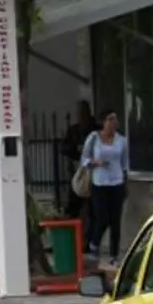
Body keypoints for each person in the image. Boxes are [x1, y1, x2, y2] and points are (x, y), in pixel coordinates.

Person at [81, 108, 131, 267]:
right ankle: (94, 243)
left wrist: (125, 182)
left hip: (116, 182)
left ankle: (114, 254)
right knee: (102, 217)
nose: (113, 122)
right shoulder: (94, 138)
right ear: (103, 122)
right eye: (110, 119)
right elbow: (84, 158)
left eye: (115, 119)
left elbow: (125, 163)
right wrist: (95, 163)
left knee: (115, 220)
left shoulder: (122, 140)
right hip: (99, 182)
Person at [62, 100, 99, 244]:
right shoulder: (73, 131)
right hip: (77, 174)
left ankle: (89, 241)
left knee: (93, 211)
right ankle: (70, 240)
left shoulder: (96, 130)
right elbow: (63, 148)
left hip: (93, 174)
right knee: (72, 208)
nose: (80, 116)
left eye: (83, 113)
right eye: (78, 113)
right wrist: (75, 149)